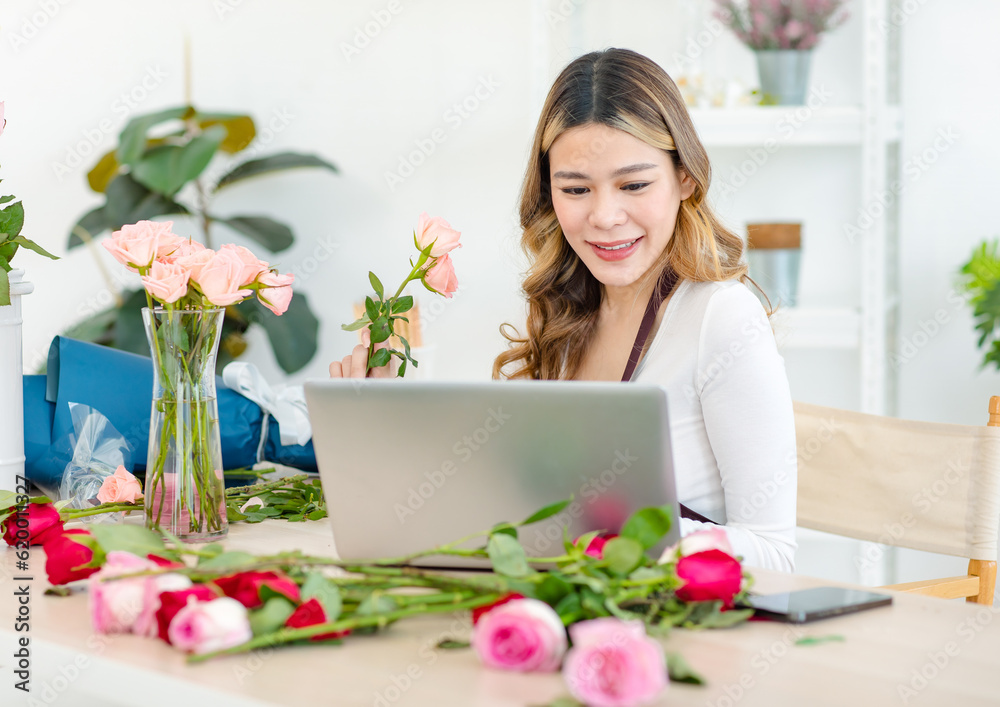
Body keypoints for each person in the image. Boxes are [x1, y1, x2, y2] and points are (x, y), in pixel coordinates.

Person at [331, 48, 797, 572]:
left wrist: (601, 539)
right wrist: (380, 416)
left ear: (684, 178)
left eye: (635, 185)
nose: (604, 216)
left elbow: (774, 555)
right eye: (575, 189)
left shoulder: (722, 318)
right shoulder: (566, 316)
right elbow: (514, 508)